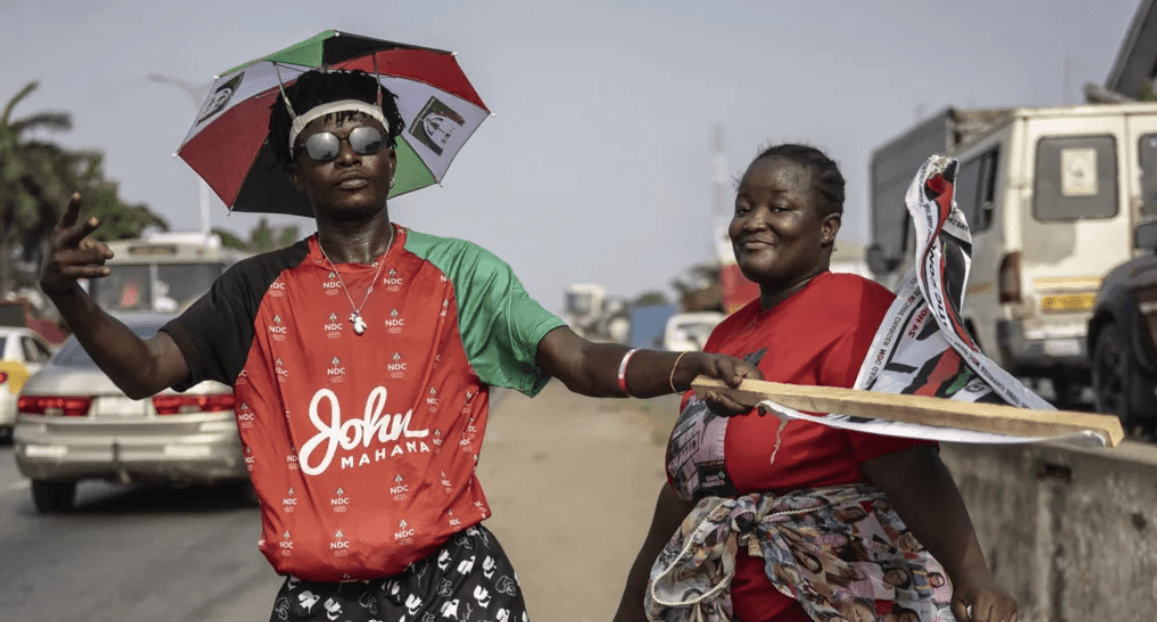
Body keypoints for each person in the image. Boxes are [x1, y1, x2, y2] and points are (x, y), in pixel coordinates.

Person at [37, 69, 761, 622]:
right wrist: (68, 295)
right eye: (320, 145)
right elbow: (142, 371)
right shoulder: (253, 289)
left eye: (368, 140)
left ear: (393, 160)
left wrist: (679, 368)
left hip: (455, 585)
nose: (346, 155)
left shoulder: (461, 275)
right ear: (295, 174)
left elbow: (574, 359)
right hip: (318, 598)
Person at [612, 144, 1018, 622]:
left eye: (778, 208)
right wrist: (633, 603)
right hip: (732, 602)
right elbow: (686, 488)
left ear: (828, 228)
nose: (754, 222)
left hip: (834, 604)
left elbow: (905, 463)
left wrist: (973, 574)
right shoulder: (727, 334)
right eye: (744, 209)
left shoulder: (856, 314)